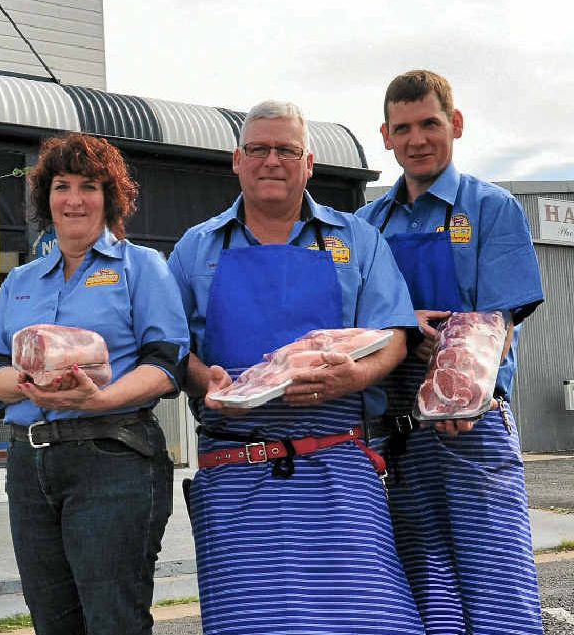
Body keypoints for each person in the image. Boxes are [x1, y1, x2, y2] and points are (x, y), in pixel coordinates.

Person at [167, 100, 425, 635]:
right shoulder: (196, 247)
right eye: (258, 149)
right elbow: (169, 347)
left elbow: (396, 335)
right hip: (236, 469)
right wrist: (203, 377)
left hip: (342, 461)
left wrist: (354, 377)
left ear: (308, 163)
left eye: (286, 149)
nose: (271, 161)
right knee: (253, 624)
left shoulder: (356, 239)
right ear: (237, 161)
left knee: (370, 620)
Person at [0, 132, 189, 635]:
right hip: (29, 465)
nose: (74, 199)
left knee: (112, 619)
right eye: (61, 186)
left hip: (111, 458)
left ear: (110, 197)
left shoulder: (142, 269)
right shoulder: (21, 281)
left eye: (89, 186)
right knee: (51, 620)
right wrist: (28, 383)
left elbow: (167, 364)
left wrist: (100, 397)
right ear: (46, 199)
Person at [357, 69, 545, 634]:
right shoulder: (368, 225)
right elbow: (357, 322)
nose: (417, 140)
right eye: (403, 127)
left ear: (455, 124)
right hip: (399, 432)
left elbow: (500, 319)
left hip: (472, 424)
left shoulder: (490, 208)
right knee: (421, 584)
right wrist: (400, 323)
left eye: (430, 124)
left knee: (496, 583)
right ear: (385, 136)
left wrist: (464, 390)